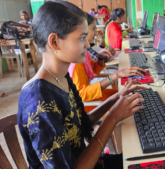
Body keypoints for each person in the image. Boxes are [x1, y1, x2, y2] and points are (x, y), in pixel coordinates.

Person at [17, 2, 145, 169]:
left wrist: (116, 98)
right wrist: (113, 117)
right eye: (82, 38)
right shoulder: (38, 100)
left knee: (145, 159)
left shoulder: (61, 77)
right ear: (55, 41)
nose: (87, 45)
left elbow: (83, 122)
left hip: (87, 160)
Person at [68, 12, 144, 112]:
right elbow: (82, 94)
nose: (96, 32)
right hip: (89, 106)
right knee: (132, 102)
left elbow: (94, 70)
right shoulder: (76, 62)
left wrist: (99, 58)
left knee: (131, 94)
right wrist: (115, 75)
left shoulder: (83, 53)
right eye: (93, 29)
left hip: (95, 95)